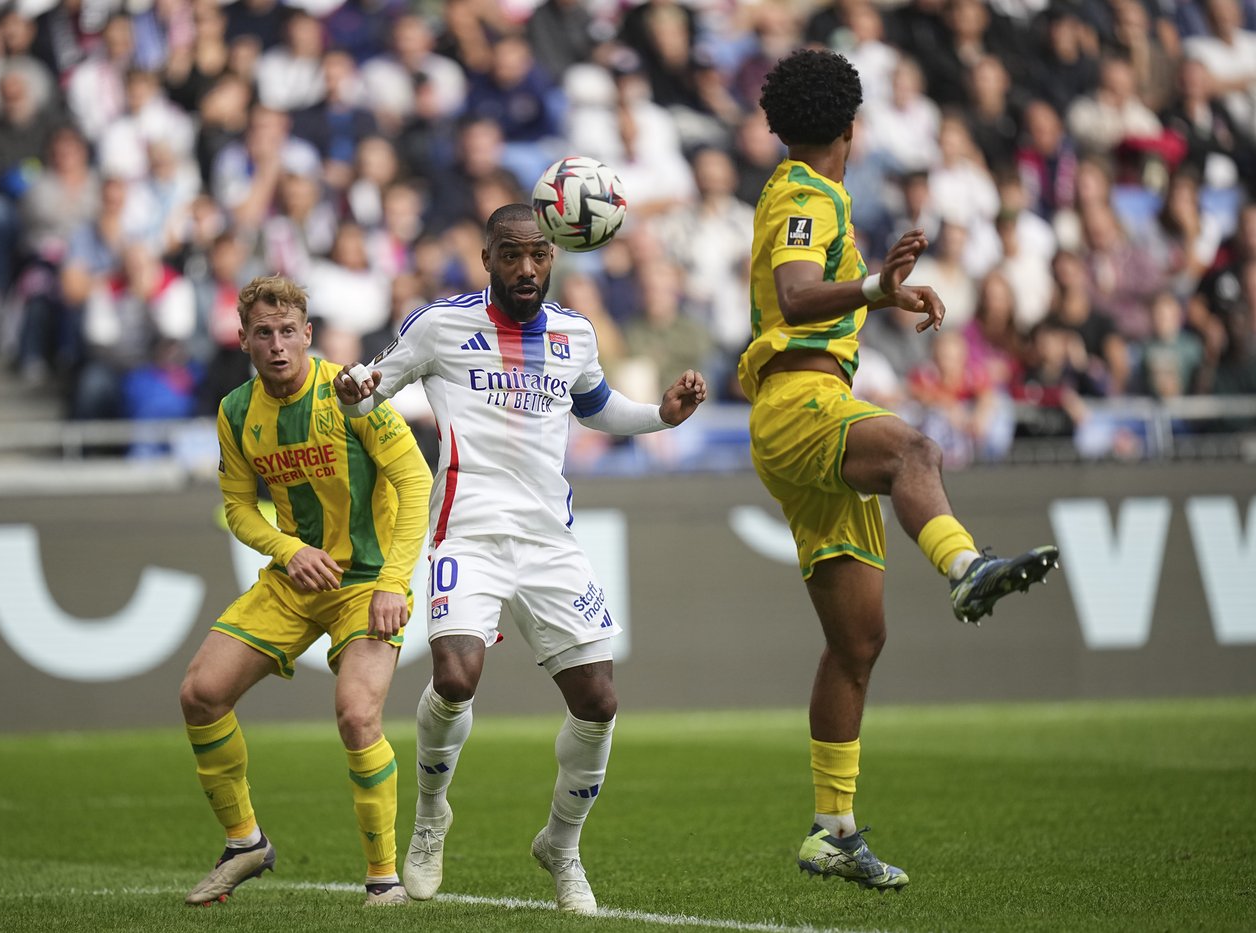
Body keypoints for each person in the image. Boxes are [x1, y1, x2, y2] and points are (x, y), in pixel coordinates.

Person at [739, 49, 1060, 891]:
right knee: (915, 448)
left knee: (857, 641)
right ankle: (966, 566)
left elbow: (809, 290)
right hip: (799, 405)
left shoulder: (802, 191)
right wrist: (878, 287)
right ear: (854, 126)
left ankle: (831, 830)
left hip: (800, 409)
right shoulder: (807, 193)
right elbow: (801, 294)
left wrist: (880, 290)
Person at [334, 204, 707, 914]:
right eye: (512, 255)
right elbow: (370, 388)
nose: (527, 268)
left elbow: (597, 409)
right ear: (487, 259)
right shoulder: (439, 324)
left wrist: (659, 413)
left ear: (554, 257)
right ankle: (430, 818)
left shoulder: (574, 333)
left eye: (539, 254)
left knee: (598, 701)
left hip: (549, 543)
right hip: (466, 534)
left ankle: (560, 845)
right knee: (456, 674)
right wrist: (356, 391)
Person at [177, 275, 432, 907]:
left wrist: (395, 582)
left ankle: (383, 880)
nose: (277, 345)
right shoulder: (236, 412)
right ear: (244, 341)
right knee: (201, 694)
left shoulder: (351, 392)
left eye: (288, 331)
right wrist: (290, 550)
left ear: (308, 334)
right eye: (263, 333)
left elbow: (416, 481)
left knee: (356, 714)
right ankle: (245, 843)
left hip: (367, 581)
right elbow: (238, 508)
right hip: (298, 579)